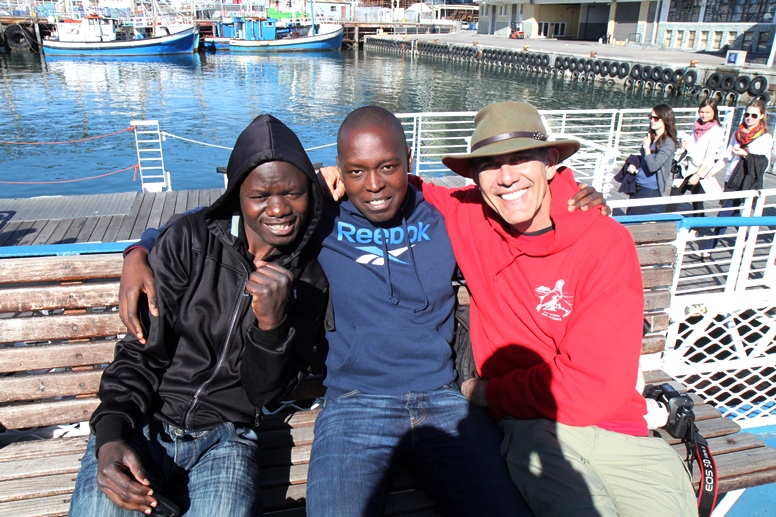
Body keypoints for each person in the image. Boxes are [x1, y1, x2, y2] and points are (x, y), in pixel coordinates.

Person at [118, 107, 607, 515]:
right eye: (356, 171)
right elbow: (236, 210)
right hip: (355, 405)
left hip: (444, 401)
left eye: (388, 167)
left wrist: (573, 198)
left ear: (408, 162)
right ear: (339, 170)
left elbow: (518, 203)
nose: (373, 184)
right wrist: (140, 249)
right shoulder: (318, 215)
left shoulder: (449, 213)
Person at [357, 101, 697, 516]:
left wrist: (485, 393)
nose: (506, 177)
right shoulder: (469, 214)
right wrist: (333, 175)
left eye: (520, 158)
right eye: (489, 164)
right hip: (534, 428)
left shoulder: (604, 242)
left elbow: (595, 387)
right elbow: (385, 181)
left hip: (620, 430)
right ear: (474, 177)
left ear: (551, 161)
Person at [69, 114, 329, 516]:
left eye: (293, 194)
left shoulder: (309, 279)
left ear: (310, 193)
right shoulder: (190, 241)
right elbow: (140, 354)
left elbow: (264, 394)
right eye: (261, 195)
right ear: (237, 196)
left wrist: (271, 325)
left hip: (228, 439)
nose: (279, 208)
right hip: (146, 423)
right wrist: (110, 436)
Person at [700, 98, 773, 258]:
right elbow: (726, 156)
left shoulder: (765, 137)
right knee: (732, 212)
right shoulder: (737, 133)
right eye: (747, 114)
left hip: (748, 181)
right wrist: (711, 172)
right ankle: (747, 236)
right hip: (731, 177)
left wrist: (746, 155)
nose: (749, 118)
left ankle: (709, 246)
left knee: (724, 213)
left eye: (754, 115)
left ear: (761, 116)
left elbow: (765, 163)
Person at [666, 98, 726, 215]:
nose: (704, 115)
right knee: (673, 198)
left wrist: (698, 175)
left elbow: (709, 155)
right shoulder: (696, 125)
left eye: (707, 112)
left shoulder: (716, 131)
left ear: (714, 112)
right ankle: (666, 226)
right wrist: (684, 145)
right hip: (686, 167)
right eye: (702, 111)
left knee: (697, 203)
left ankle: (696, 228)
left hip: (700, 170)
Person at [618, 103, 678, 215]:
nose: (652, 121)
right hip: (638, 183)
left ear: (665, 119)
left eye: (656, 118)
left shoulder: (669, 143)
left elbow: (653, 166)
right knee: (629, 216)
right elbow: (644, 158)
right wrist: (634, 164)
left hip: (651, 188)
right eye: (651, 117)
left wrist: (646, 146)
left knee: (632, 219)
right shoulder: (651, 136)